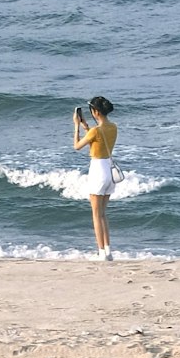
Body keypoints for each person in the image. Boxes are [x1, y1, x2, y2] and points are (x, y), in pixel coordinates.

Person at [73, 95, 118, 260]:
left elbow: (77, 146)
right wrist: (86, 126)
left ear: (96, 112)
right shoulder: (113, 127)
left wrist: (77, 126)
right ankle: (108, 251)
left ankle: (100, 252)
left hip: (97, 171)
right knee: (103, 214)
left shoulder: (95, 131)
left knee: (95, 214)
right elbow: (98, 141)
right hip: (109, 170)